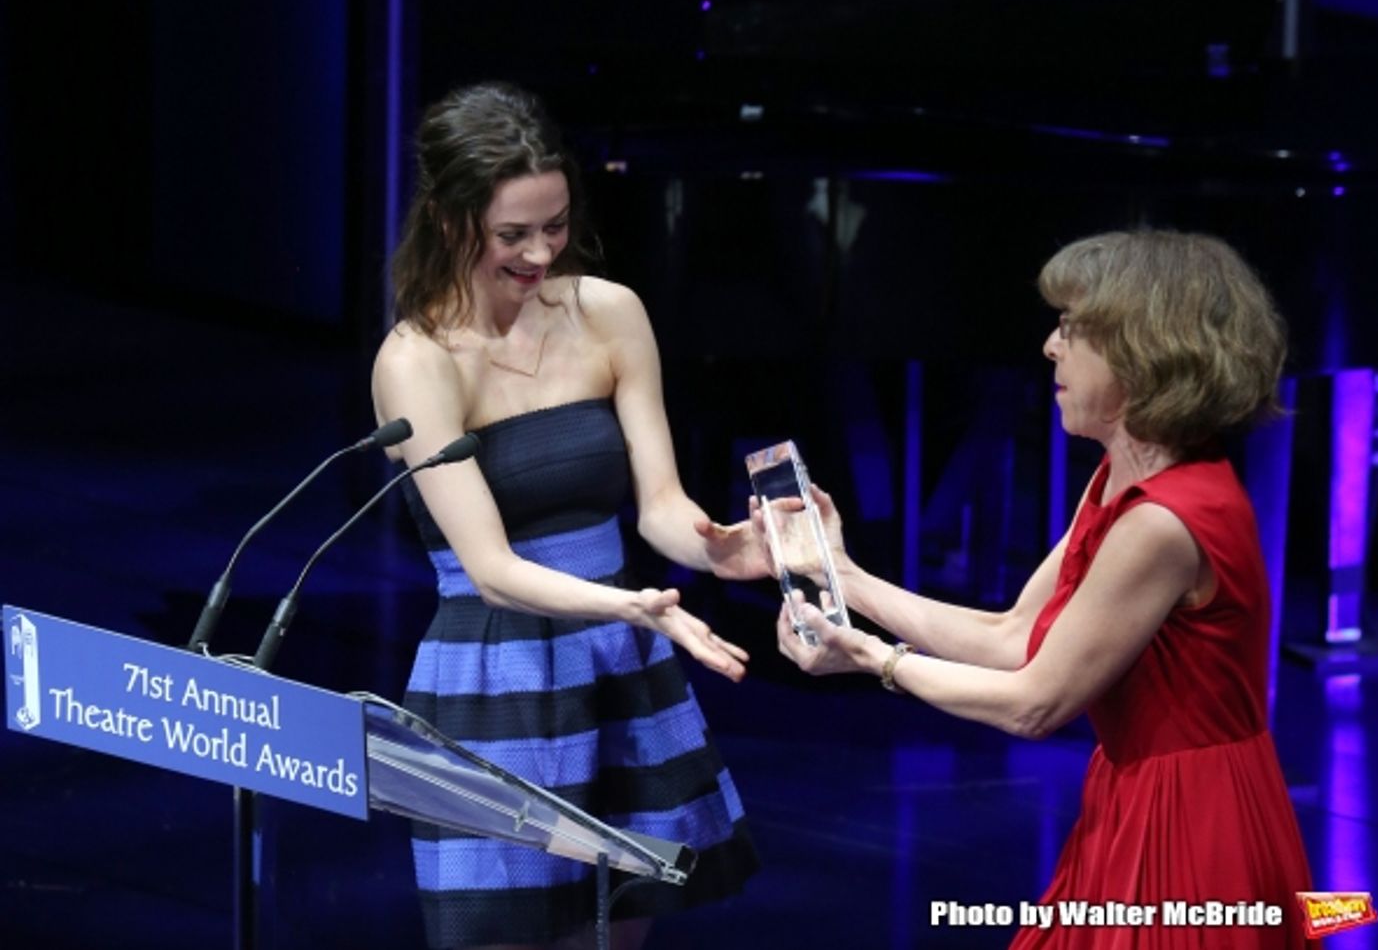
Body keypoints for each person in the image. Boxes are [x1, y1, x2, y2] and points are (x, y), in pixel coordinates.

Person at [773, 230, 1317, 948]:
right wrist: (844, 576)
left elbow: (1036, 702)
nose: (1049, 348)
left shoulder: (1163, 520)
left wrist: (877, 661)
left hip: (1192, 818)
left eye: (1070, 329)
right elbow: (1015, 637)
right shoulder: (1119, 480)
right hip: (1134, 796)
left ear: (1141, 348)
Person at [372, 81, 762, 950]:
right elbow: (490, 569)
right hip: (497, 676)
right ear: (449, 218)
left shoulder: (610, 313)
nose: (541, 252)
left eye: (554, 225)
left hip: (616, 662)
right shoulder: (417, 360)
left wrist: (720, 547)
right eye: (513, 234)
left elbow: (659, 508)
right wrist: (630, 604)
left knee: (616, 930)